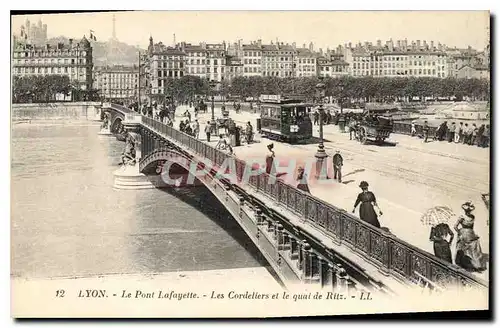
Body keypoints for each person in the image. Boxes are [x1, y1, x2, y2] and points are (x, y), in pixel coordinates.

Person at [454, 202, 486, 272]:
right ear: (464, 210)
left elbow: (472, 227)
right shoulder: (461, 217)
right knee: (463, 249)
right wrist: (460, 233)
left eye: (469, 210)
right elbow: (455, 226)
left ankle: (476, 265)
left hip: (471, 233)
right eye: (467, 210)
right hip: (463, 233)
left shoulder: (472, 217)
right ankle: (465, 264)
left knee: (474, 248)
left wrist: (474, 234)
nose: (468, 211)